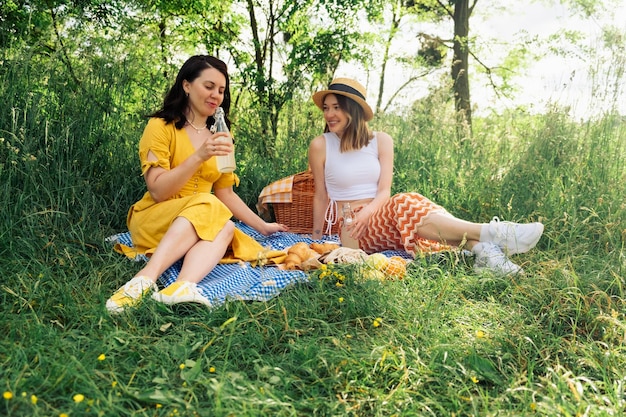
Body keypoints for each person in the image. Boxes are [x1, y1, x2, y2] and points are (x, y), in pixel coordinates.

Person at [106, 55, 287, 313]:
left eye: (222, 90)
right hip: (156, 218)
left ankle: (180, 287)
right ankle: (144, 279)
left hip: (201, 221)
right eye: (209, 86)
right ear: (187, 85)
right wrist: (200, 155)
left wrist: (263, 226)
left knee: (225, 227)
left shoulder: (222, 135)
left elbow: (225, 192)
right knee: (209, 205)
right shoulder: (160, 126)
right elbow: (157, 190)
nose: (216, 95)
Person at [308, 78, 544, 276]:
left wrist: (370, 212)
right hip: (352, 228)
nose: (329, 114)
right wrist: (316, 240)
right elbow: (320, 195)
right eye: (326, 108)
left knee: (411, 210)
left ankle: (486, 252)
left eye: (336, 107)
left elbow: (383, 192)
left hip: (382, 215)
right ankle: (496, 232)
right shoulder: (321, 145)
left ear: (353, 109)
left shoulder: (381, 141)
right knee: (407, 204)